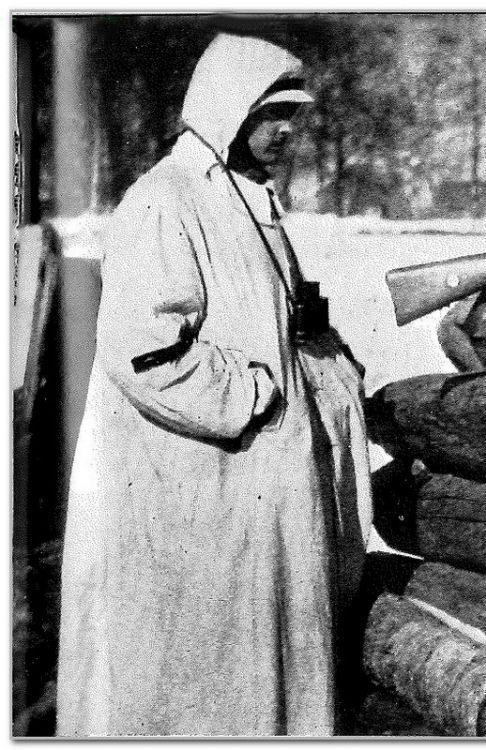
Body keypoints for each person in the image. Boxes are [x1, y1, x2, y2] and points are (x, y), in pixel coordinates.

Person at [57, 33, 372, 736]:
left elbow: (280, 322)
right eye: (270, 112)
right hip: (200, 490)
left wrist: (327, 370)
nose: (286, 129)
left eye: (293, 112)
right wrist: (255, 394)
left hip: (261, 492)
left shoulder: (247, 201)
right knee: (200, 679)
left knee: (268, 675)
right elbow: (143, 352)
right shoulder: (167, 200)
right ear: (225, 108)